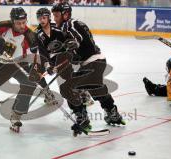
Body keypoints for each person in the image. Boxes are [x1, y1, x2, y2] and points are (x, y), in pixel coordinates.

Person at [51, 2, 125, 136]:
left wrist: (67, 46)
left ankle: (82, 118)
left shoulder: (69, 25)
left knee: (68, 87)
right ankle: (112, 113)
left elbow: (76, 41)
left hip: (93, 63)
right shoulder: (74, 24)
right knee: (95, 89)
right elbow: (79, 48)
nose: (54, 19)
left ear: (65, 15)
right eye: (54, 15)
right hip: (97, 61)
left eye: (56, 15)